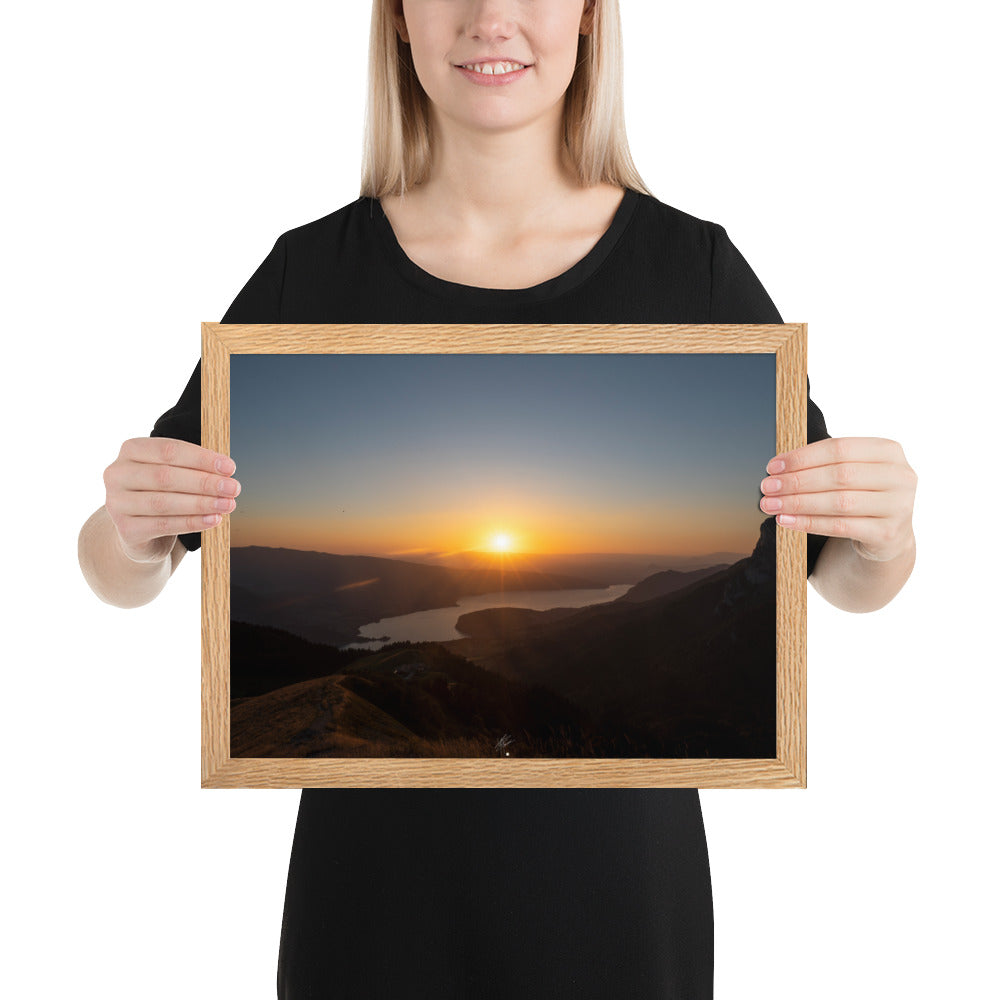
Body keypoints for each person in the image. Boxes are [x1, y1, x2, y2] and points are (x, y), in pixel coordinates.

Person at [78, 1, 917, 995]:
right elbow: (123, 567)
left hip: (616, 891)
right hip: (371, 892)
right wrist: (130, 531)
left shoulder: (690, 268)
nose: (491, 18)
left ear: (591, 18)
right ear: (396, 19)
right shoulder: (311, 272)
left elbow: (839, 576)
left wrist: (884, 531)